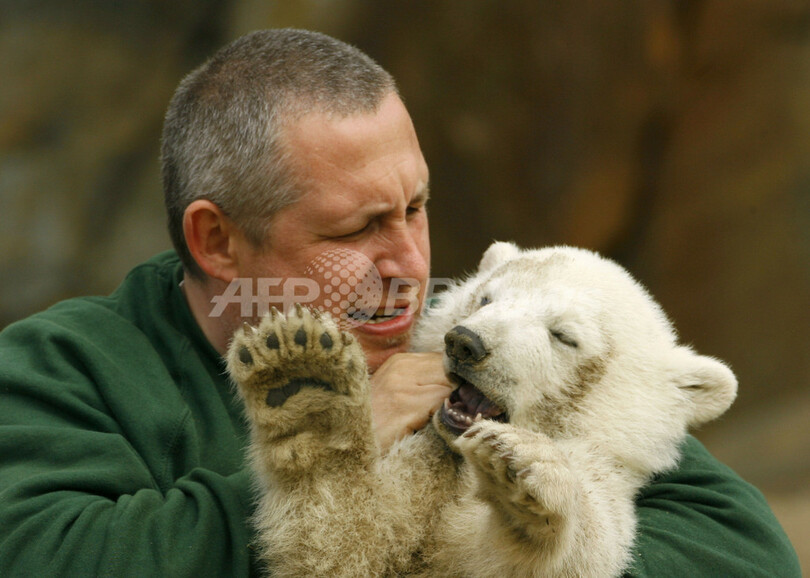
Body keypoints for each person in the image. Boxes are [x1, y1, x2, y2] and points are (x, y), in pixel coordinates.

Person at [0, 28, 799, 577]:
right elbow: (43, 555)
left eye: (415, 208)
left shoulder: (470, 341)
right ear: (217, 241)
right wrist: (333, 453)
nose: (411, 266)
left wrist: (510, 558)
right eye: (359, 227)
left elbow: (743, 551)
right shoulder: (64, 368)